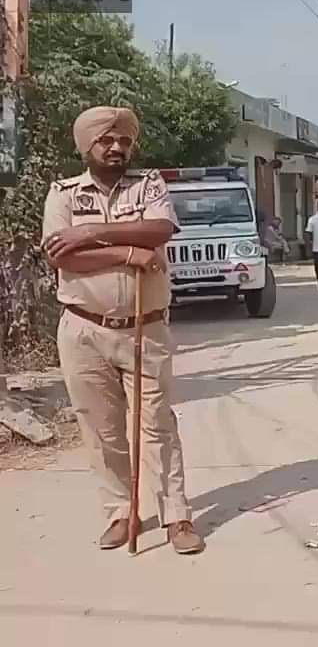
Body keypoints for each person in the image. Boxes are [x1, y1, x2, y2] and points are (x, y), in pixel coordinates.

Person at [41, 106, 204, 555]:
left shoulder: (149, 185)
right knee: (101, 428)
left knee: (156, 425)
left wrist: (90, 231)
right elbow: (61, 256)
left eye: (124, 141)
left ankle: (177, 516)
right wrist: (126, 254)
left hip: (143, 329)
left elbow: (159, 229)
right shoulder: (63, 193)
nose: (117, 148)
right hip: (83, 330)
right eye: (106, 141)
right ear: (86, 147)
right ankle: (120, 512)